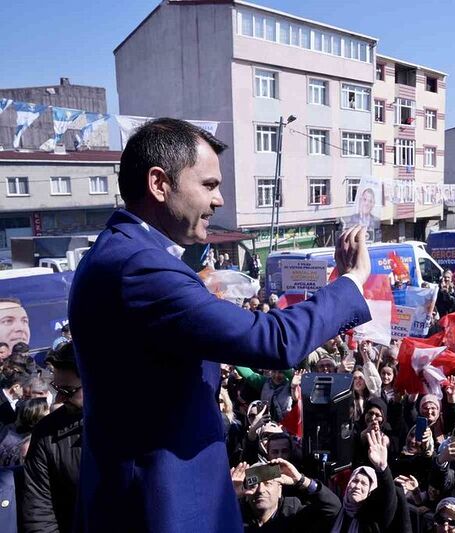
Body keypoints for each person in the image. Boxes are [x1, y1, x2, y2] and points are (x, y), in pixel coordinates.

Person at [68, 118, 372, 532]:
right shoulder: (139, 266)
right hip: (163, 507)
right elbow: (272, 340)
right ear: (160, 184)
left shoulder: (125, 255)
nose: (219, 200)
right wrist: (353, 281)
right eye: (209, 185)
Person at [22, 341, 83, 533]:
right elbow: (38, 511)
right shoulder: (47, 431)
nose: (59, 399)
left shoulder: (129, 425)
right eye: (57, 389)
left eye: (67, 391)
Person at [235, 458, 341, 532]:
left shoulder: (294, 514)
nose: (261, 490)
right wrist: (229, 497)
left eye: (268, 484)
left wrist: (301, 480)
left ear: (280, 490)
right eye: (254, 485)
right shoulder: (236, 515)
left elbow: (332, 509)